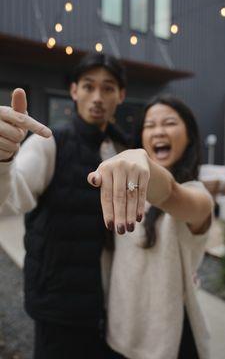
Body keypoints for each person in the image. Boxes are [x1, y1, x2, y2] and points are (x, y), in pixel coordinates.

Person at [0, 53, 129, 359]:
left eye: (108, 88)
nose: (97, 97)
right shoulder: (48, 141)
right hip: (58, 301)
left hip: (110, 303)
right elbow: (11, 198)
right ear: (74, 91)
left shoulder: (122, 147)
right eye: (88, 87)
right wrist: (3, 159)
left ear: (121, 95)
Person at [88, 94, 213, 359]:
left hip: (168, 341)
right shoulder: (123, 192)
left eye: (169, 123)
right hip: (118, 331)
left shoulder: (197, 195)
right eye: (149, 125)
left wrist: (142, 161)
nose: (158, 131)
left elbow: (170, 194)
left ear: (189, 136)